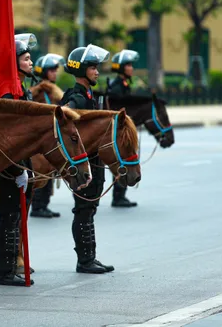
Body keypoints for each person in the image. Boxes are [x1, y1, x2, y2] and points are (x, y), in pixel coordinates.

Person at [61, 43, 114, 274]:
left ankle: (90, 256)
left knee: (89, 209)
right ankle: (84, 260)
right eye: (93, 68)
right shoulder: (76, 98)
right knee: (83, 209)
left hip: (94, 161)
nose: (97, 71)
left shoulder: (89, 95)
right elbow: (64, 121)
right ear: (82, 71)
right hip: (84, 164)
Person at [0, 33, 36, 287]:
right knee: (9, 217)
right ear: (14, 63)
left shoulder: (22, 91)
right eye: (27, 58)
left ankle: (14, 265)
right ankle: (5, 271)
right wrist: (16, 168)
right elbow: (8, 136)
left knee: (18, 217)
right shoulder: (8, 95)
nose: (31, 63)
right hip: (10, 164)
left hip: (24, 162)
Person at [30, 53, 67, 219]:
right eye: (51, 70)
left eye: (55, 70)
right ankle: (38, 207)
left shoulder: (51, 91)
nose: (55, 72)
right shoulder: (39, 92)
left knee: (50, 171)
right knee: (42, 171)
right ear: (43, 71)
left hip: (51, 136)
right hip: (40, 138)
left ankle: (44, 205)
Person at [108, 49, 140, 208]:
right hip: (117, 131)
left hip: (122, 129)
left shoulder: (124, 84)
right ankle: (118, 196)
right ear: (120, 68)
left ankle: (120, 195)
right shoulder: (116, 87)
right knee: (120, 161)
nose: (131, 68)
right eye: (128, 65)